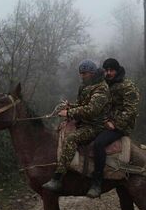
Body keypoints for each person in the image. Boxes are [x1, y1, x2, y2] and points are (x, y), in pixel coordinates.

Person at [42, 59, 110, 192]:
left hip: (94, 126)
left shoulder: (101, 88)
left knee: (71, 139)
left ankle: (58, 178)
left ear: (92, 73)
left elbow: (91, 110)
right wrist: (70, 106)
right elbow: (81, 105)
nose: (82, 76)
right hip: (83, 122)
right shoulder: (85, 86)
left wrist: (68, 112)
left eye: (84, 73)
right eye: (81, 73)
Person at [86, 58, 140, 198]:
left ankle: (97, 181)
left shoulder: (127, 86)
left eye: (111, 70)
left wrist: (115, 124)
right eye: (106, 70)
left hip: (120, 126)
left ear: (117, 70)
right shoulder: (105, 84)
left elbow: (131, 110)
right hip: (104, 122)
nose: (109, 73)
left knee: (99, 143)